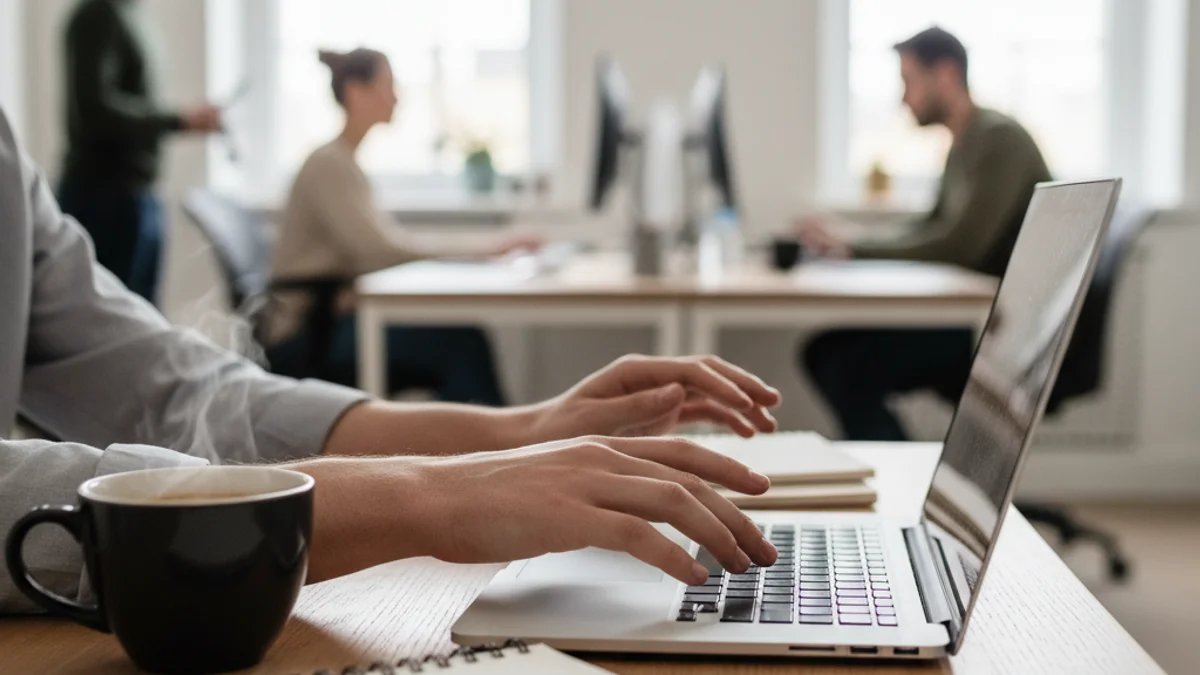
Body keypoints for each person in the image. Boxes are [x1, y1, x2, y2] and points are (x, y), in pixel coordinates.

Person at [0, 104, 782, 611]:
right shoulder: (329, 161)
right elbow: (378, 252)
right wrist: (423, 495)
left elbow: (169, 385)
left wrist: (520, 432)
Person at [797, 27, 1052, 441]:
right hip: (972, 316)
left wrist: (854, 247)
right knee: (829, 352)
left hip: (999, 330)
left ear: (946, 75)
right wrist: (851, 239)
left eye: (908, 81)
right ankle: (900, 478)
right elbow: (930, 226)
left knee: (842, 363)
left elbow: (961, 246)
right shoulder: (965, 142)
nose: (903, 98)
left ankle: (899, 484)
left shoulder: (998, 139)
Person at [266, 48, 534, 406]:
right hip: (314, 331)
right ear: (356, 91)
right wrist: (477, 251)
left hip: (331, 318)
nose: (396, 96)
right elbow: (380, 251)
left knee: (462, 339)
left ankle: (488, 451)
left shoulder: (343, 162)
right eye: (387, 84)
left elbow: (384, 245)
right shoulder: (330, 165)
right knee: (463, 344)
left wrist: (477, 251)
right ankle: (501, 452)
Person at [57, 0, 224, 305]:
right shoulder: (97, 15)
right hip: (103, 196)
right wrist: (179, 120)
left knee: (144, 318)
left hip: (141, 194)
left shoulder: (135, 15)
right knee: (106, 320)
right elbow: (94, 112)